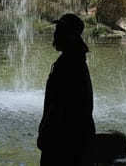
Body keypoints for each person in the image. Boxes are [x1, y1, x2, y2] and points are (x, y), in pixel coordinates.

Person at [38, 13, 95, 166]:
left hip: (63, 141)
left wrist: (46, 132)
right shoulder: (75, 60)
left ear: (70, 36)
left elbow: (60, 106)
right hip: (74, 138)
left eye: (59, 30)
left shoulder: (69, 65)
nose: (55, 34)